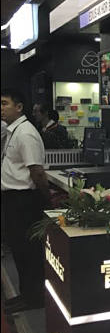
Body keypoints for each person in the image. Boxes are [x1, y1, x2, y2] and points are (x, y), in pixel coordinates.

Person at [1, 88, 50, 313]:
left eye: (5, 104)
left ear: (19, 107)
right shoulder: (13, 131)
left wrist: (45, 199)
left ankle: (34, 299)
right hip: (13, 200)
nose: (1, 109)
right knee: (19, 250)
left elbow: (37, 172)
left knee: (28, 251)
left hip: (25, 201)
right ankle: (26, 294)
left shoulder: (26, 133)